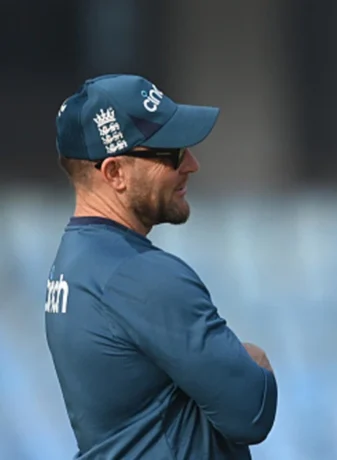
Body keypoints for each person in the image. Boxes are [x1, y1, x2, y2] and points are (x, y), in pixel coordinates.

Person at [45, 74, 277, 459]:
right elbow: (250, 410)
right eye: (171, 152)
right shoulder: (141, 273)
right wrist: (256, 358)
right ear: (115, 173)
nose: (192, 164)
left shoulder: (75, 258)